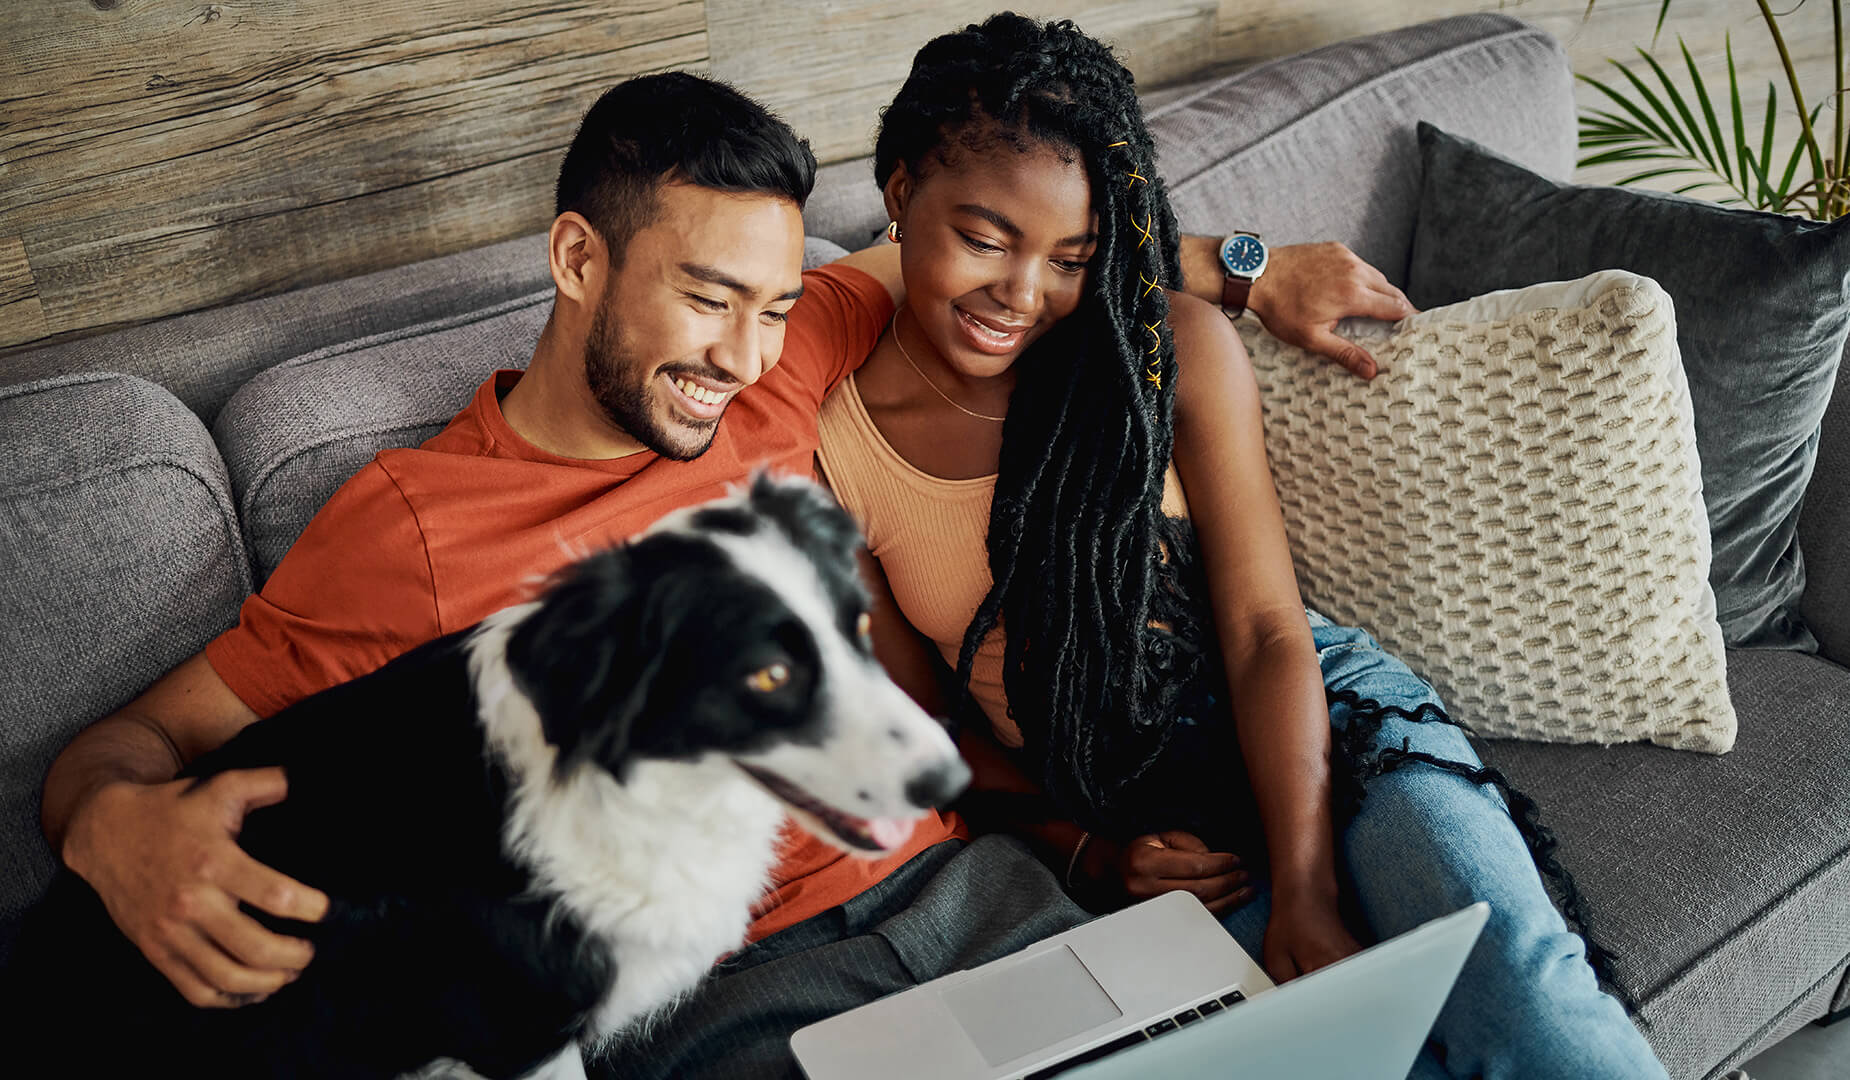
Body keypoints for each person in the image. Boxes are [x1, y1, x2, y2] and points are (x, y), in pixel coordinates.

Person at [38, 66, 1405, 1074]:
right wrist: (111, 826)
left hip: (978, 895)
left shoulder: (775, 355)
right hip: (724, 996)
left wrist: (1246, 267)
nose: (745, 358)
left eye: (767, 307)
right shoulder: (410, 526)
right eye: (704, 299)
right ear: (578, 257)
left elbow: (1009, 257)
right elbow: (141, 736)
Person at [813, 14, 1669, 1080]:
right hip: (1129, 810)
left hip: (1323, 723)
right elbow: (925, 725)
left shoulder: (1162, 347)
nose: (1020, 296)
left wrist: (1307, 885)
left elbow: (1267, 632)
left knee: (1525, 994)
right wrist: (1086, 851)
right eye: (983, 239)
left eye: (1071, 259)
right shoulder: (832, 436)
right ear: (898, 194)